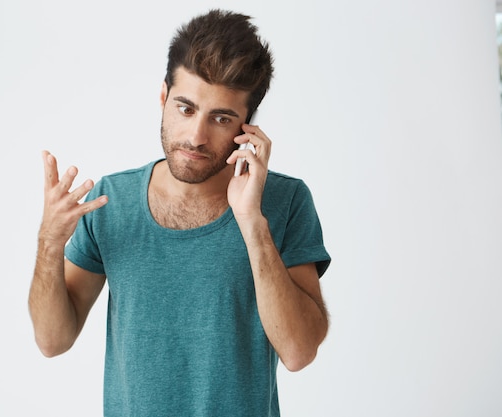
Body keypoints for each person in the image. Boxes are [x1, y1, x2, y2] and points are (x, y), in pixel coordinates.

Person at [28, 9, 331, 416]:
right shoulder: (110, 200)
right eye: (185, 109)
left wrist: (252, 222)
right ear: (163, 98)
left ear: (248, 127)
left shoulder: (286, 201)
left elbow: (298, 352)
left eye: (221, 119)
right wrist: (49, 242)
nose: (196, 136)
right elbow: (52, 341)